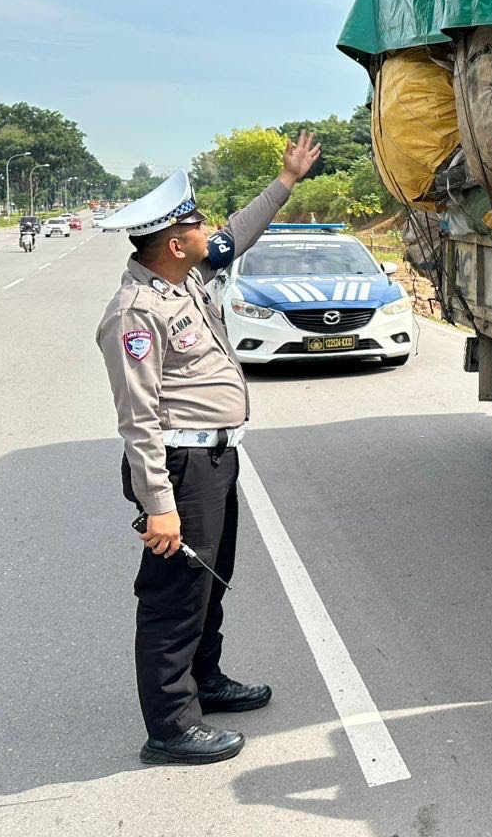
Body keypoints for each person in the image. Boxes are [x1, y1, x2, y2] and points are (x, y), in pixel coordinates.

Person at [96, 134, 320, 765]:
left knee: (210, 583)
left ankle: (206, 680)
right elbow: (138, 421)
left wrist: (286, 180)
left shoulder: (186, 278)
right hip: (179, 467)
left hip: (215, 460)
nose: (208, 230)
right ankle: (170, 728)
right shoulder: (136, 313)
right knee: (174, 597)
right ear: (174, 243)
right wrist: (158, 506)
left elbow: (236, 234)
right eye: (196, 224)